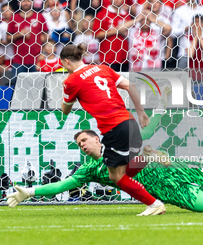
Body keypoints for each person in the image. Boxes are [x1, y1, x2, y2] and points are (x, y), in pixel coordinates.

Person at [7, 128, 203, 212]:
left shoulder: (120, 144)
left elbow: (149, 149)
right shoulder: (90, 170)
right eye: (78, 144)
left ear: (96, 139)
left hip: (176, 170)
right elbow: (60, 186)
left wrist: (155, 153)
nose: (82, 146)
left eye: (84, 141)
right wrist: (30, 191)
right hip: (170, 191)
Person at [58, 43, 168, 216]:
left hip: (114, 128)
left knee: (115, 177)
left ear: (66, 62)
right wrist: (141, 113)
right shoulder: (102, 68)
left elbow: (65, 111)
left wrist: (65, 88)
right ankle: (147, 158)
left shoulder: (71, 81)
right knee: (124, 169)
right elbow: (130, 86)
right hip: (130, 123)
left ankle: (154, 204)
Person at [7, 0, 49, 85]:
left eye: (28, 0)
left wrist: (44, 52)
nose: (26, 3)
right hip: (18, 61)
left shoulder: (39, 17)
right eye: (23, 1)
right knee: (17, 87)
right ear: (19, 2)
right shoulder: (14, 18)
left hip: (37, 60)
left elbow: (46, 36)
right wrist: (19, 34)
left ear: (32, 2)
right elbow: (7, 38)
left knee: (37, 87)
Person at [171, 0, 203, 69]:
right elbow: (173, 33)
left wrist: (199, 34)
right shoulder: (179, 11)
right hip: (184, 52)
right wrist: (188, 28)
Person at [93, 0, 132, 71]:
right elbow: (96, 34)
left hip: (124, 57)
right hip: (108, 57)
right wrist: (117, 30)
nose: (117, 0)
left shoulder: (126, 15)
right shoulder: (102, 14)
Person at [185, 14, 203, 82]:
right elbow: (190, 54)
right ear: (192, 24)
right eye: (196, 22)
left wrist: (200, 37)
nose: (197, 24)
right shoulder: (186, 37)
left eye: (199, 22)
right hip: (192, 76)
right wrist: (196, 37)